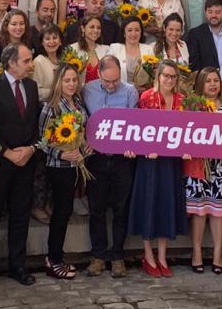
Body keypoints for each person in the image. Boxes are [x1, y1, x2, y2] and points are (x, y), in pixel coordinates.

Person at [0, 43, 40, 290]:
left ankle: (18, 266)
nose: (30, 64)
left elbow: (36, 122)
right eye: (26, 60)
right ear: (11, 63)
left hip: (25, 162)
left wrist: (31, 148)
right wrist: (6, 152)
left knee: (20, 216)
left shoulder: (32, 86)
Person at [129, 60, 188, 277]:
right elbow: (138, 128)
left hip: (171, 162)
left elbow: (188, 131)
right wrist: (146, 147)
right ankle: (148, 254)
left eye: (173, 77)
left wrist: (187, 149)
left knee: (166, 204)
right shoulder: (146, 98)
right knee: (149, 202)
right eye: (166, 76)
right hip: (150, 161)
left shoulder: (182, 99)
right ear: (158, 76)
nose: (169, 80)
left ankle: (162, 255)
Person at [82, 55, 139, 278]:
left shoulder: (129, 91)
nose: (112, 85)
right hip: (96, 158)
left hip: (121, 159)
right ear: (99, 75)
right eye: (108, 81)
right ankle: (97, 256)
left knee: (120, 209)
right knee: (96, 209)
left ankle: (117, 256)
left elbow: (134, 125)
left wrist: (131, 145)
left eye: (116, 80)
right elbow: (83, 120)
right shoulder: (88, 90)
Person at [183, 68, 222, 275]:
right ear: (201, 84)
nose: (213, 85)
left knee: (218, 211)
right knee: (199, 211)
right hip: (199, 165)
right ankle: (196, 251)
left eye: (216, 81)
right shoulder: (192, 104)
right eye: (208, 81)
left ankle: (218, 252)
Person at [39, 64, 90, 280]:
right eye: (67, 80)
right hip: (59, 167)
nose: (71, 84)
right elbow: (42, 141)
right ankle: (53, 259)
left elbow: (83, 131)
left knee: (65, 211)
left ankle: (57, 257)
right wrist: (62, 155)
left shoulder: (77, 103)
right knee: (61, 212)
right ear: (59, 82)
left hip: (76, 166)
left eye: (74, 80)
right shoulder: (51, 107)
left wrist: (86, 147)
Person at [187, 0, 222, 72]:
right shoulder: (195, 34)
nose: (213, 15)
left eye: (217, 12)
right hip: (205, 81)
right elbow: (194, 65)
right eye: (210, 12)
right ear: (205, 12)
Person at [0, 10, 35, 81]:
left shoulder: (30, 45)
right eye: (14, 24)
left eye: (21, 24)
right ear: (6, 26)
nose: (18, 27)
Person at [107, 17, 154, 85]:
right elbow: (108, 72)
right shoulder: (114, 48)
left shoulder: (148, 49)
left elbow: (152, 75)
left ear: (141, 32)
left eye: (137, 30)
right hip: (120, 90)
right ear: (124, 33)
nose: (133, 34)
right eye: (129, 30)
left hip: (143, 91)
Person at [31, 25, 63, 101]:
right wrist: (59, 92)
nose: (51, 42)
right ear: (42, 42)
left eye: (54, 38)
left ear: (60, 41)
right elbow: (36, 91)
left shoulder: (65, 60)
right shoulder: (38, 61)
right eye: (47, 39)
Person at [76, 16, 110, 83]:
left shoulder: (107, 49)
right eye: (92, 27)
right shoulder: (72, 49)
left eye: (98, 28)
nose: (96, 30)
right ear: (83, 28)